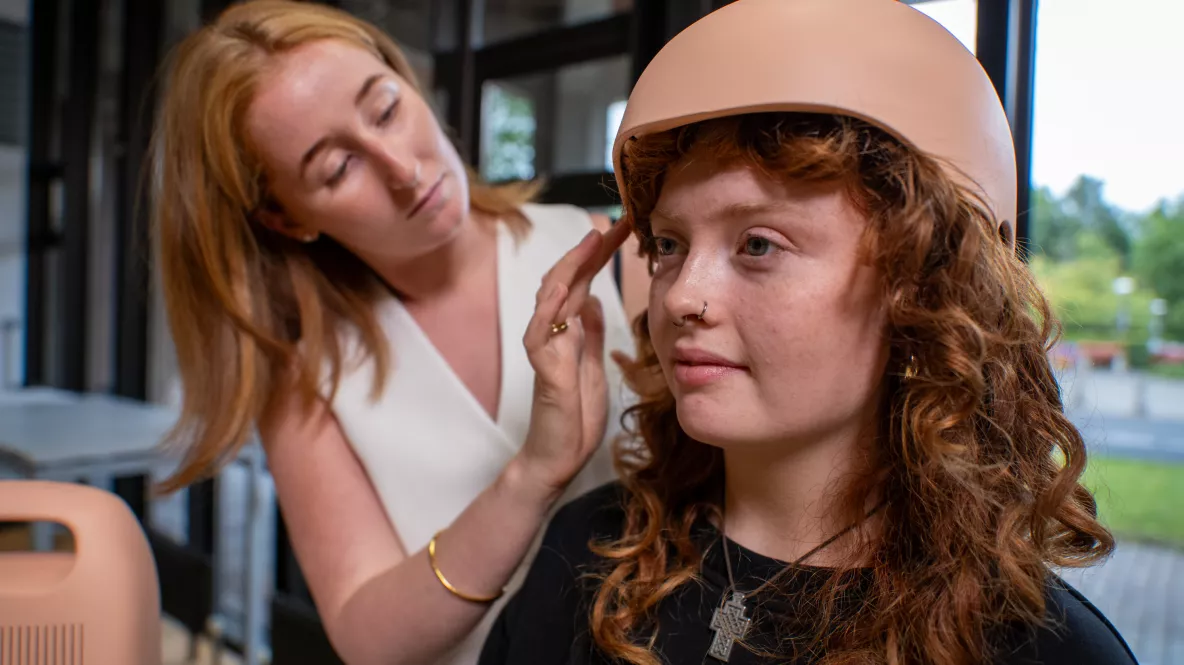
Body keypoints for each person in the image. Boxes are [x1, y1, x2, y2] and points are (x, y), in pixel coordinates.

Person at [479, 0, 1137, 664]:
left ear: (927, 288)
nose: (681, 295)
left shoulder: (1045, 648)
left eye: (758, 244)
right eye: (670, 244)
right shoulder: (590, 550)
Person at [149, 1, 649, 664]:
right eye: (336, 168)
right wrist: (531, 476)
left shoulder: (618, 256)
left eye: (384, 109)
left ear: (407, 80)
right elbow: (368, 635)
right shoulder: (306, 379)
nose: (402, 169)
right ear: (286, 219)